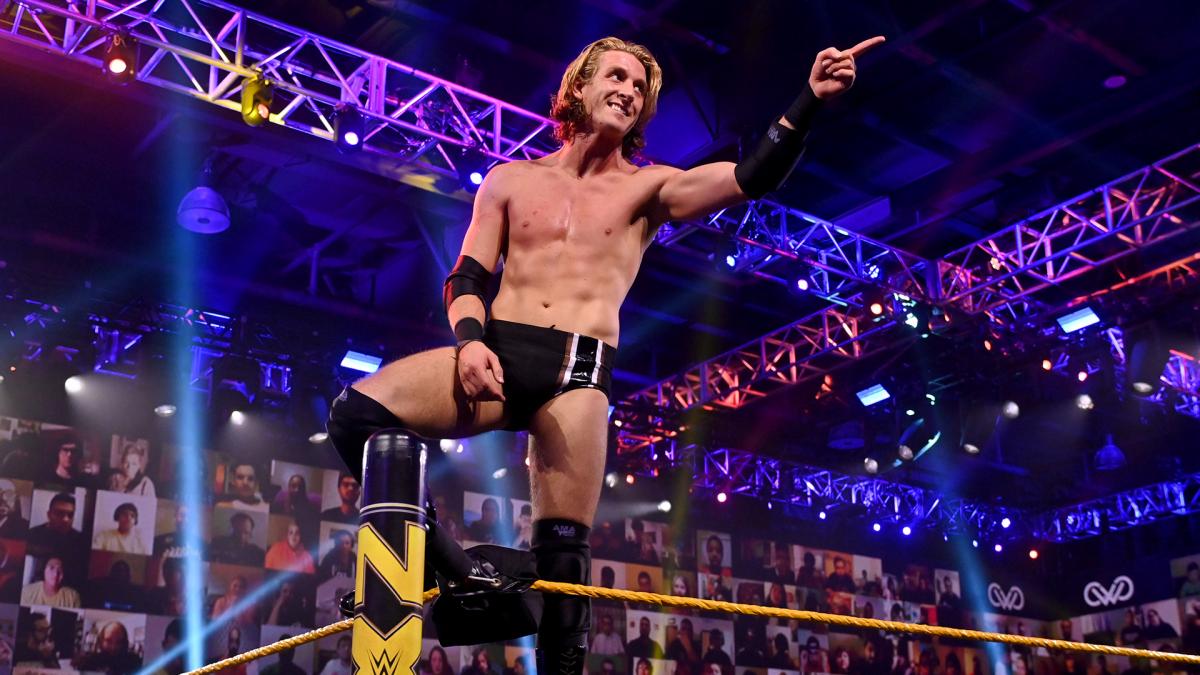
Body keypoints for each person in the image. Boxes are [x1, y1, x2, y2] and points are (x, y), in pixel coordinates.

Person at [325, 33, 882, 675]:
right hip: (500, 350)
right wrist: (470, 342)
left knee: (564, 561)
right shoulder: (510, 179)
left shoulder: (650, 188)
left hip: (579, 369)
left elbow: (749, 177)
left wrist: (808, 100)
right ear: (580, 86)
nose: (629, 91)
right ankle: (455, 568)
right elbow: (467, 276)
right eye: (617, 76)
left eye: (641, 87)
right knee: (357, 415)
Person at [26, 492, 88, 558]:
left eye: (70, 515)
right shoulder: (32, 535)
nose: (66, 519)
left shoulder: (80, 541)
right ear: (49, 515)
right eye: (59, 513)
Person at [72, 620, 141, 673]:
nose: (113, 647)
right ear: (101, 641)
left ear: (125, 643)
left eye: (119, 642)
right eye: (108, 641)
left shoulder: (134, 662)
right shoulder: (89, 661)